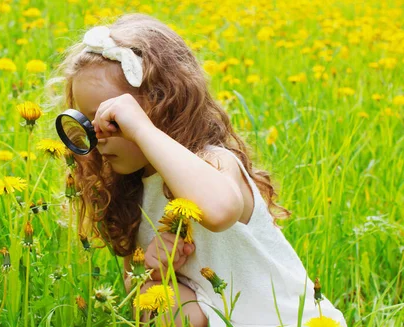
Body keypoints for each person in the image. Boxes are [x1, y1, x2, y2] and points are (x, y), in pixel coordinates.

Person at [52, 13, 347, 327]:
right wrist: (150, 269)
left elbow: (219, 211)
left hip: (288, 320)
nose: (97, 139)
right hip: (216, 315)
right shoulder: (128, 190)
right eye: (86, 123)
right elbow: (133, 288)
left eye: (112, 120)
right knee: (153, 294)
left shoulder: (215, 162)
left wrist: (141, 129)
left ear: (164, 107)